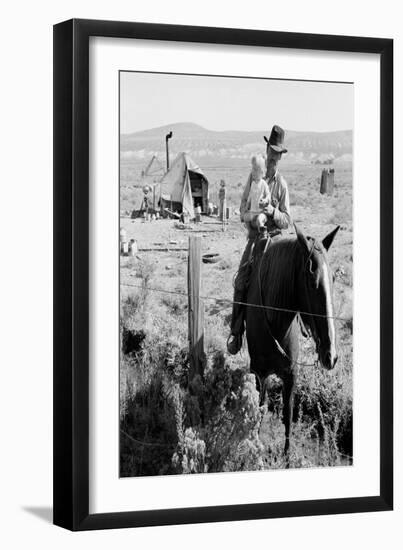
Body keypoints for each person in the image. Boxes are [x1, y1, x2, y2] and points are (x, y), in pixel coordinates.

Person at [227, 125, 291, 355]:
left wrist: (273, 211)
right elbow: (242, 206)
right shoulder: (254, 177)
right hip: (255, 239)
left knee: (294, 282)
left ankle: (305, 332)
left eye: (277, 153)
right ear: (266, 149)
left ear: (281, 156)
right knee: (242, 278)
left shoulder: (281, 185)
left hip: (275, 240)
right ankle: (236, 332)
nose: (273, 157)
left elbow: (287, 221)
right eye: (271, 151)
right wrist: (247, 216)